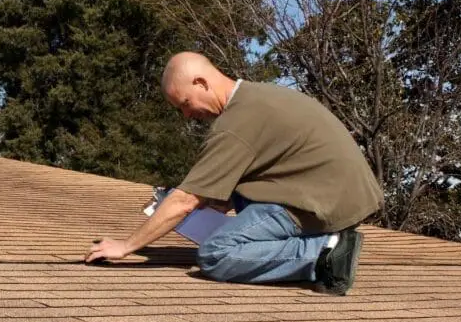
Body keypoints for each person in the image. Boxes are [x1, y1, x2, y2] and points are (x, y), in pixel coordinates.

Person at [85, 52, 384, 295]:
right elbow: (269, 166)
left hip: (319, 204)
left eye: (185, 104)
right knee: (229, 205)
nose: (187, 115)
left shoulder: (234, 125)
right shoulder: (256, 97)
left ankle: (324, 253)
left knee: (216, 254)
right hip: (336, 194)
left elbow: (186, 199)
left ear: (201, 82)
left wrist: (126, 246)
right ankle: (323, 244)